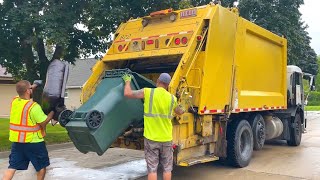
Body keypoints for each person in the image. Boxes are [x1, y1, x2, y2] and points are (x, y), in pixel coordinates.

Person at [122, 73, 184, 180]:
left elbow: (127, 93)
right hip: (166, 139)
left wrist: (127, 81)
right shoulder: (172, 99)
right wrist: (184, 104)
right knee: (167, 168)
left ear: (158, 81)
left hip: (151, 139)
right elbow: (180, 111)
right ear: (168, 85)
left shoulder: (148, 92)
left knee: (152, 168)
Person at [2, 80, 54, 180]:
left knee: (12, 166)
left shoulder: (15, 101)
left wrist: (35, 85)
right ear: (28, 91)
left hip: (17, 142)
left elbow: (23, 91)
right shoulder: (33, 107)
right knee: (41, 167)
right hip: (34, 142)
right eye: (30, 88)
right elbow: (43, 122)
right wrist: (52, 112)